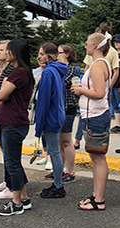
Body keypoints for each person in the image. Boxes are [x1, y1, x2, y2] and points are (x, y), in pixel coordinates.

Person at [0, 39, 34, 216]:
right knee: (15, 163)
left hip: (13, 123)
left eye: (8, 50)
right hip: (14, 121)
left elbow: (3, 94)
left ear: (15, 53)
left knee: (12, 163)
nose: (5, 52)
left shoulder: (18, 72)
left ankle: (16, 203)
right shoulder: (21, 71)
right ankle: (25, 198)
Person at [72, 33, 112, 210]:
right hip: (93, 115)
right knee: (95, 157)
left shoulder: (97, 66)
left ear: (95, 46)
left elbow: (99, 93)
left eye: (87, 43)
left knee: (98, 157)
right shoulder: (100, 64)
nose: (85, 46)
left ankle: (100, 199)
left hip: (96, 115)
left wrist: (81, 90)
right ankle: (96, 195)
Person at [35, 43, 68, 199]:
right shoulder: (57, 70)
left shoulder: (48, 73)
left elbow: (44, 101)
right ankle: (57, 183)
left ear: (49, 55)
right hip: (57, 114)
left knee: (54, 151)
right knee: (55, 151)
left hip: (51, 117)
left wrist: (38, 126)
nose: (39, 56)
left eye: (41, 54)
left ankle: (58, 186)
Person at [57, 44, 79, 183]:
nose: (57, 55)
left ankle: (70, 171)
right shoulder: (56, 68)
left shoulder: (71, 69)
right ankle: (60, 169)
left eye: (59, 53)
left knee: (66, 141)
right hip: (58, 107)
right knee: (59, 142)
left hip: (68, 106)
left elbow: (63, 82)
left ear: (67, 54)